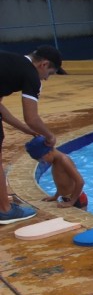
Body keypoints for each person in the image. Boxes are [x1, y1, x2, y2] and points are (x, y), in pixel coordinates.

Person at [0, 45, 65, 223]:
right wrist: (50, 136)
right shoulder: (30, 75)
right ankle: (4, 210)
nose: (46, 79)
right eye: (49, 74)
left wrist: (26, 130)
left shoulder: (10, 62)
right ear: (43, 64)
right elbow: (32, 117)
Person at [25, 136, 87, 210]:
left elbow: (80, 182)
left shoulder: (64, 160)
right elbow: (61, 183)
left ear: (49, 152)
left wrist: (72, 201)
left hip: (78, 199)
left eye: (42, 160)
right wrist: (55, 196)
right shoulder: (55, 161)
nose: (43, 163)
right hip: (67, 198)